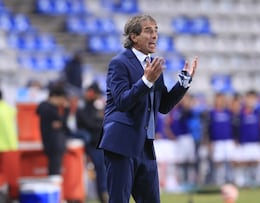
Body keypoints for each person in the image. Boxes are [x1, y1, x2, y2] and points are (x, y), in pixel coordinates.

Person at [97, 14, 198, 203]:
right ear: (133, 37)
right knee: (119, 199)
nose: (154, 35)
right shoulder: (119, 63)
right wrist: (146, 81)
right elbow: (122, 101)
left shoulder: (153, 66)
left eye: (156, 30)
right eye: (148, 30)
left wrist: (183, 83)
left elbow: (164, 106)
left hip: (145, 144)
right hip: (121, 143)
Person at [76, 82, 108, 203]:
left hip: (102, 143)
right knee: (100, 169)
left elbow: (106, 121)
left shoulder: (99, 106)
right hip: (91, 144)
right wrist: (100, 121)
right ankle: (103, 195)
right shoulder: (83, 107)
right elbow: (89, 123)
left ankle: (105, 195)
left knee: (104, 170)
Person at [232, 90, 260, 188]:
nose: (251, 101)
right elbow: (235, 127)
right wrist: (236, 138)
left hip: (256, 142)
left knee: (257, 162)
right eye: (249, 98)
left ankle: (257, 181)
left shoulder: (259, 112)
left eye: (253, 99)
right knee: (243, 163)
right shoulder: (240, 113)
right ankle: (245, 182)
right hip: (244, 143)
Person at [164, 94, 196, 189]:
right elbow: (168, 124)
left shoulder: (184, 110)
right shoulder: (173, 111)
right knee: (179, 161)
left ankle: (190, 181)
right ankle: (181, 181)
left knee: (190, 160)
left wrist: (186, 102)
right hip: (178, 139)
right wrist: (170, 134)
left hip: (187, 137)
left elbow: (190, 113)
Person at [36, 84, 69, 175]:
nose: (62, 102)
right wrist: (65, 112)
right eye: (61, 99)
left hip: (56, 145)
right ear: (54, 97)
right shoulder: (45, 107)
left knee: (56, 170)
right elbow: (61, 121)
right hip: (52, 143)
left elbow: (63, 124)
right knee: (54, 171)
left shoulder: (53, 108)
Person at [207, 92, 235, 185]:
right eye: (218, 99)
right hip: (216, 142)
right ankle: (219, 181)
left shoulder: (229, 112)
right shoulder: (211, 113)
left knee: (231, 161)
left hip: (228, 141)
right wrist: (210, 142)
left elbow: (234, 126)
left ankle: (231, 180)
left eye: (222, 99)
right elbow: (209, 129)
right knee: (218, 163)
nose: (220, 101)